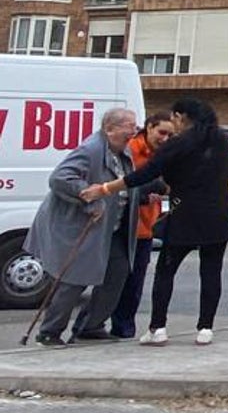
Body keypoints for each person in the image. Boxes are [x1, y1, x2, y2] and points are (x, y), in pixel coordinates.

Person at [83, 97, 228, 346]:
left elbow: (144, 174)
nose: (173, 125)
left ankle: (158, 327)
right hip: (219, 215)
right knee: (212, 271)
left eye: (175, 119)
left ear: (182, 117)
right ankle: (205, 328)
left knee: (166, 271)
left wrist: (105, 188)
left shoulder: (178, 144)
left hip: (185, 215)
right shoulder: (222, 140)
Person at [24, 108, 140, 347]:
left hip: (114, 228)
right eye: (128, 126)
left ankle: (92, 326)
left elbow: (125, 185)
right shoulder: (91, 150)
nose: (134, 130)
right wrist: (89, 199)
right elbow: (60, 179)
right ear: (110, 128)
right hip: (84, 227)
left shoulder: (123, 152)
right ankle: (49, 332)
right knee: (74, 279)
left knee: (116, 276)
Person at [108, 112, 174, 339]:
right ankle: (99, 325)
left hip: (145, 226)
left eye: (170, 134)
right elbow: (128, 184)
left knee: (134, 283)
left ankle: (124, 328)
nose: (165, 138)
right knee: (117, 281)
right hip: (125, 226)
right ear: (149, 127)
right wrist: (150, 192)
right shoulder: (132, 151)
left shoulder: (162, 154)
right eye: (162, 132)